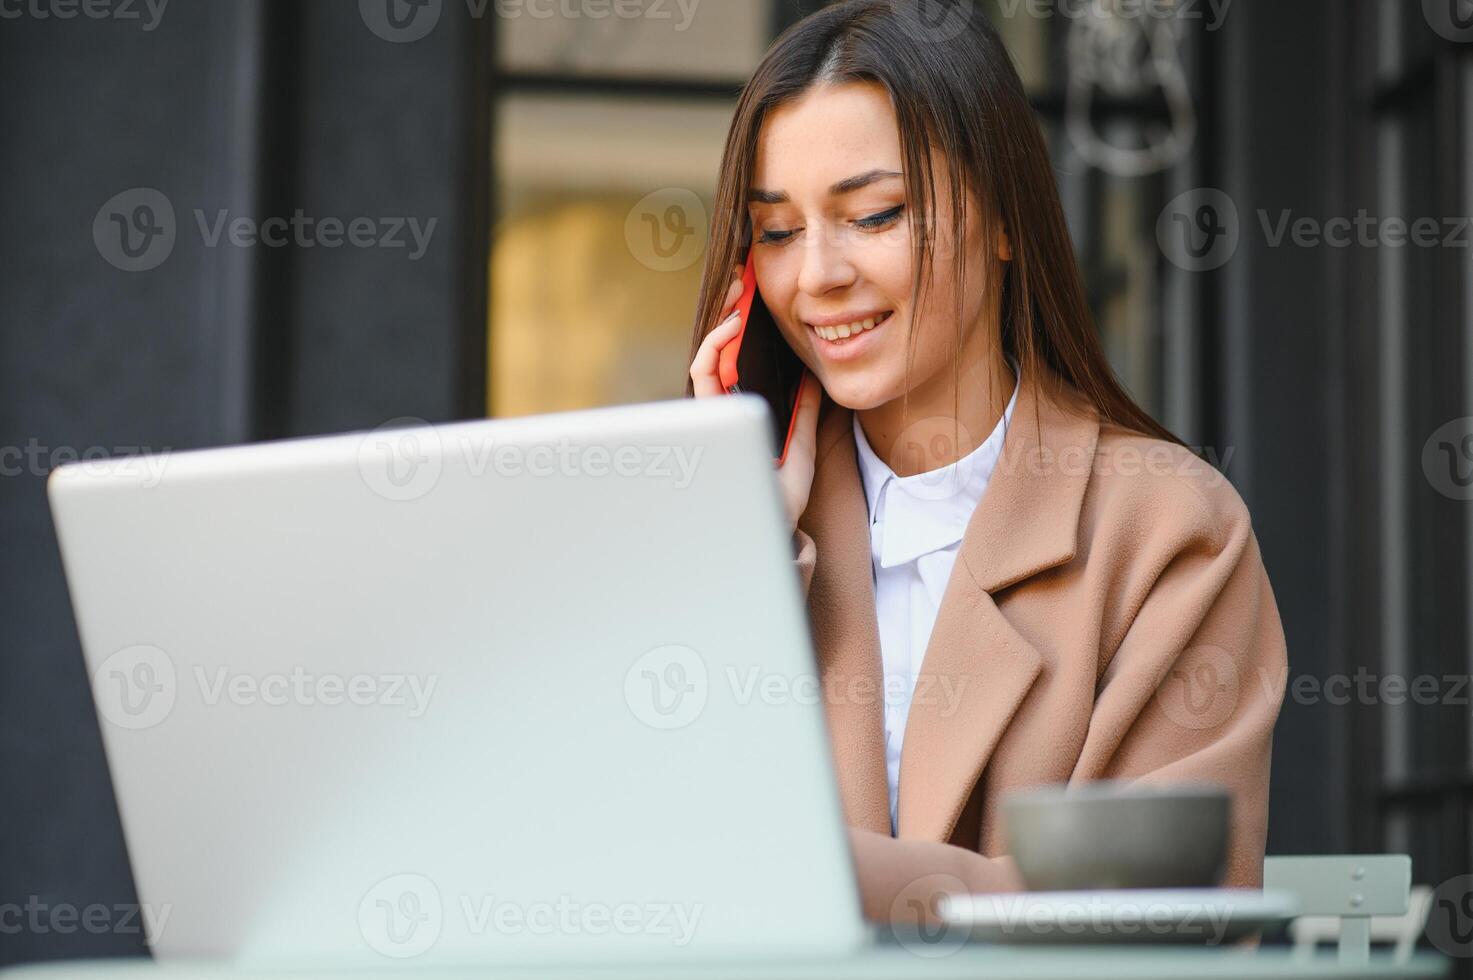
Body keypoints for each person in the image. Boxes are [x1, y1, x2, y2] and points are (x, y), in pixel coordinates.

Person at [685, 0, 1287, 925]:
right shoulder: (744, 535)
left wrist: (798, 867)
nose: (815, 276)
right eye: (776, 231)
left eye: (873, 213)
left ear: (1005, 219)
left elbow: (1157, 919)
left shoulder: (1169, 532)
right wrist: (734, 545)